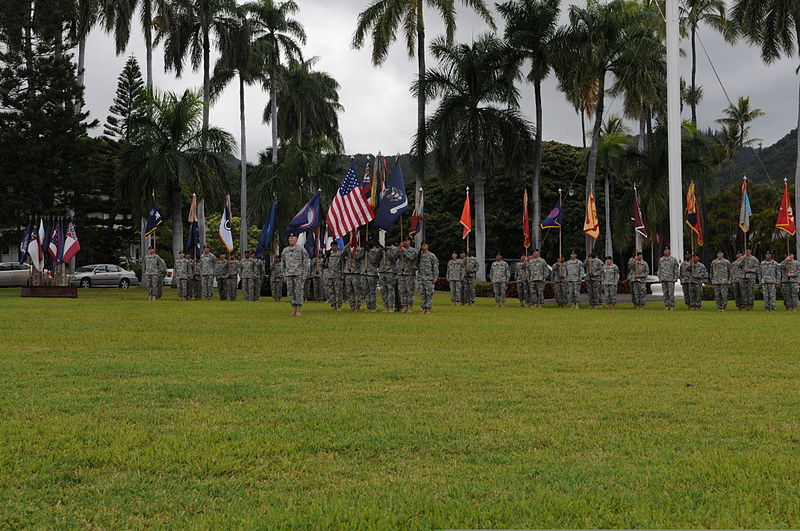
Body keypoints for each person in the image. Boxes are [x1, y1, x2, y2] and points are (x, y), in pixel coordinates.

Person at [281, 233, 310, 316]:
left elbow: (306, 262)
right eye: (289, 238)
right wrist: (284, 274)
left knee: (298, 291)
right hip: (289, 274)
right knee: (290, 292)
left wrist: (305, 274)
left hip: (298, 274)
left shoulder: (301, 249)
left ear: (296, 239)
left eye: (292, 238)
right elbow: (283, 263)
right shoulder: (285, 250)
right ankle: (293, 308)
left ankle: (298, 310)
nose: (291, 239)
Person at [416, 242, 439, 314]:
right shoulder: (419, 256)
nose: (423, 247)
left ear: (428, 246)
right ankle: (423, 308)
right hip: (421, 278)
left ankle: (428, 309)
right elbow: (417, 265)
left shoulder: (432, 256)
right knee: (422, 294)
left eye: (424, 245)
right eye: (422, 245)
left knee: (429, 294)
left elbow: (435, 267)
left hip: (429, 278)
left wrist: (435, 277)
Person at [343, 237, 365, 311]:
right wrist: (347, 246)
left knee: (356, 290)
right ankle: (352, 305)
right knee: (349, 290)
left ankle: (357, 305)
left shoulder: (360, 250)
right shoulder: (348, 249)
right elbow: (341, 253)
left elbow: (358, 257)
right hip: (348, 272)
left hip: (355, 272)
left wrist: (353, 251)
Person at [397, 237, 418, 313]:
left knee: (409, 290)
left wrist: (405, 251)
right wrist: (399, 248)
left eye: (406, 241)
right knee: (402, 290)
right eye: (404, 241)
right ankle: (404, 306)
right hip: (401, 272)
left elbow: (412, 257)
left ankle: (409, 306)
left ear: (410, 241)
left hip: (409, 273)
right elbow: (393, 257)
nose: (405, 242)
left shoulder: (413, 250)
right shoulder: (400, 249)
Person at [379, 240, 400, 312]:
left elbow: (393, 258)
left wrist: (387, 251)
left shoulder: (395, 249)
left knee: (390, 289)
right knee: (383, 290)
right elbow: (376, 259)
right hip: (382, 271)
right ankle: (386, 306)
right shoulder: (381, 249)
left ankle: (391, 306)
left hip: (390, 271)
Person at [325, 241, 345, 311]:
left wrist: (342, 275)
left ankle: (338, 305)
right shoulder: (329, 255)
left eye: (335, 246)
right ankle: (333, 304)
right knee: (331, 291)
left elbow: (342, 265)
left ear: (337, 246)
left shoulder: (339, 254)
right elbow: (326, 265)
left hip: (337, 275)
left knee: (338, 291)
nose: (334, 247)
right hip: (330, 275)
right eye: (333, 246)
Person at [364, 240, 382, 312]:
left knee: (372, 291)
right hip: (366, 273)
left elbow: (374, 260)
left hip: (372, 273)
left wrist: (369, 251)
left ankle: (373, 307)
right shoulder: (367, 251)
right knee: (366, 291)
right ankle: (368, 306)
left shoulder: (375, 251)